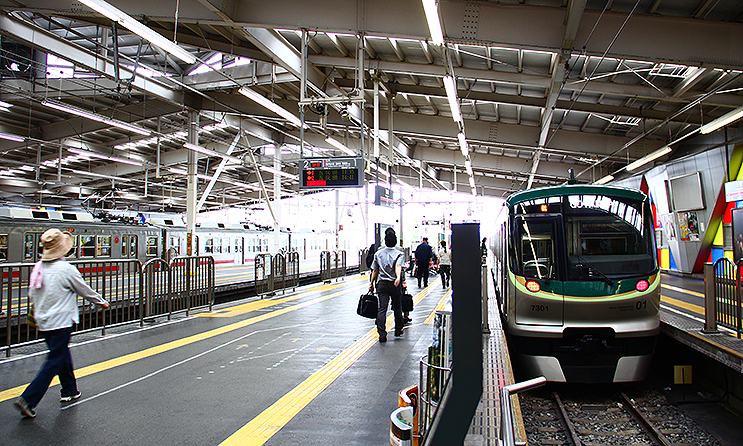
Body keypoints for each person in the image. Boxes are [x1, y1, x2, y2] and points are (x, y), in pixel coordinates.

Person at [14, 228, 110, 418]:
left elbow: (33, 294)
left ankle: (69, 390)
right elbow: (83, 289)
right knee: (55, 360)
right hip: (61, 321)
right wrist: (101, 301)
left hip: (43, 321)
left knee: (61, 353)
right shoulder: (66, 269)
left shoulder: (38, 267)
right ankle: (28, 398)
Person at [369, 228, 405, 343]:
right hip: (394, 284)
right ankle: (398, 329)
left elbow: (374, 270)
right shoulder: (399, 253)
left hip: (382, 284)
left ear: (385, 241)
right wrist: (399, 278)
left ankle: (382, 334)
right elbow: (398, 266)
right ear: (395, 242)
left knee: (382, 309)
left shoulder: (378, 253)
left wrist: (371, 283)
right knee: (397, 307)